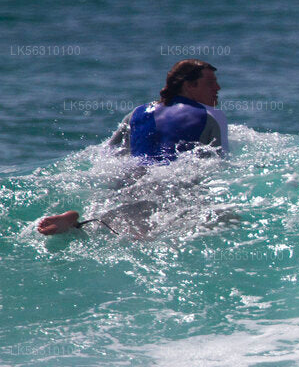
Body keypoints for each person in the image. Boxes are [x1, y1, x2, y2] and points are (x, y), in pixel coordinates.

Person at [37, 60, 227, 236]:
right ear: (188, 85)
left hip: (130, 181)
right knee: (226, 220)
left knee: (112, 226)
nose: (217, 88)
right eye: (210, 82)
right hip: (169, 187)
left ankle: (74, 222)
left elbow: (108, 154)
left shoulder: (136, 113)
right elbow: (217, 165)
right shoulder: (210, 116)